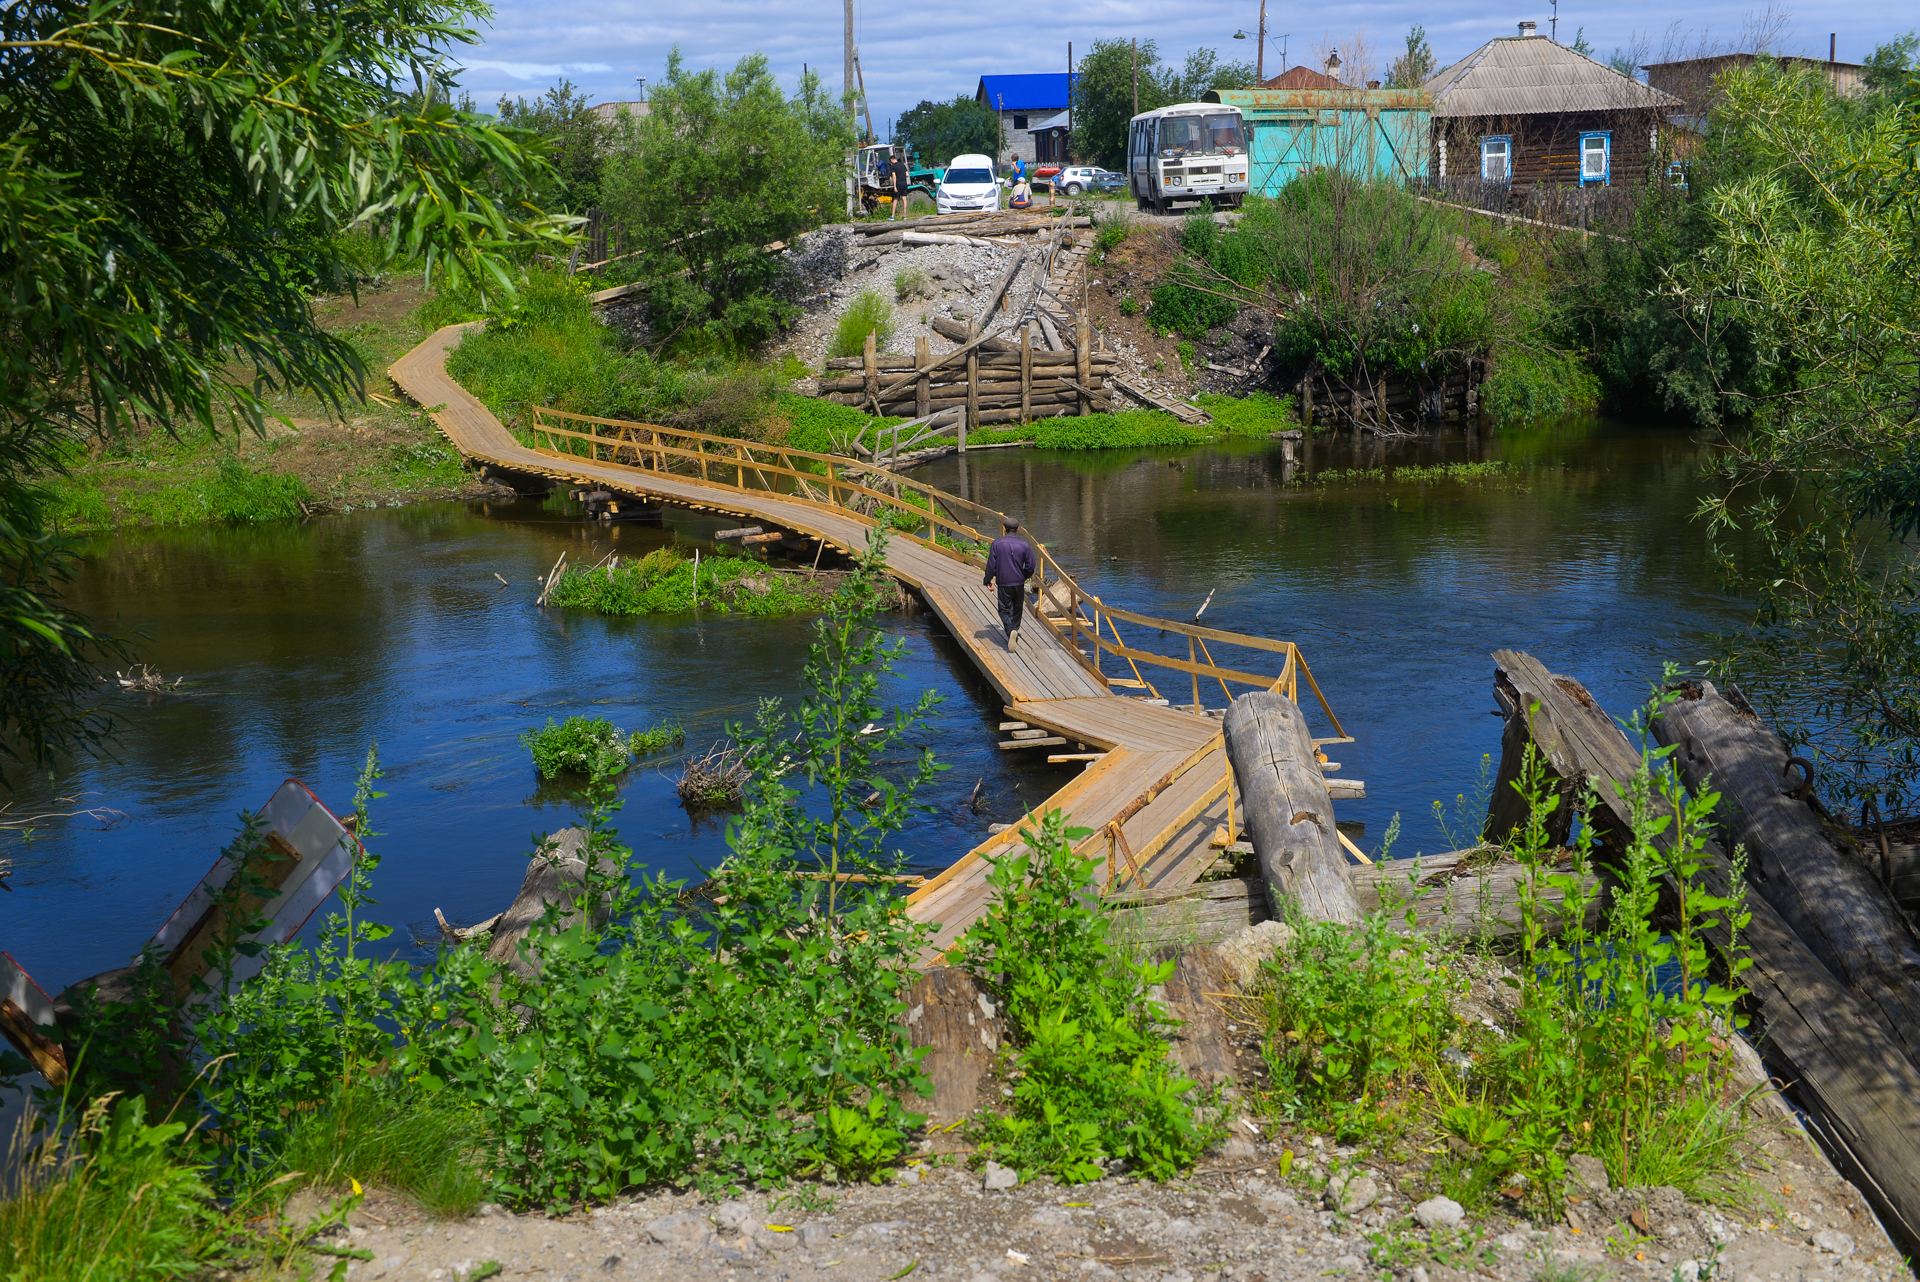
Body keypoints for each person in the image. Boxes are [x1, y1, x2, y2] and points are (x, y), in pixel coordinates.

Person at [982, 518, 1036, 650]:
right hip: (1018, 582)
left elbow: (991, 565)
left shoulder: (997, 543)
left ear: (1004, 529)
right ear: (1018, 529)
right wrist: (1025, 575)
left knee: (1004, 610)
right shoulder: (1024, 545)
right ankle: (1014, 632)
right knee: (1017, 609)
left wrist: (988, 580)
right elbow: (1031, 564)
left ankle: (1011, 630)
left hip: (1004, 582)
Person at [889, 149, 909, 219]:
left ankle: (892, 216)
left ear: (892, 160)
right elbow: (907, 175)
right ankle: (904, 215)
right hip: (904, 183)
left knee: (895, 199)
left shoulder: (893, 166)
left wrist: (894, 186)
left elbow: (894, 176)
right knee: (904, 199)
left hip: (898, 183)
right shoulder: (903, 165)